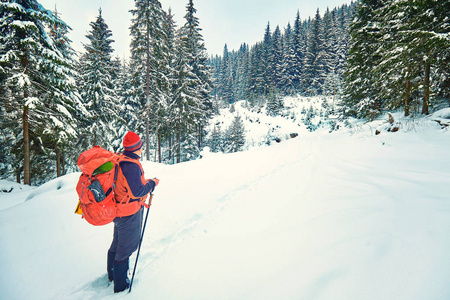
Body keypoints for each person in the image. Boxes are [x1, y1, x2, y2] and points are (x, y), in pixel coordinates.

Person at [107, 131, 159, 293]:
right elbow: (137, 192)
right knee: (126, 247)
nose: (142, 149)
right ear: (136, 148)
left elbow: (128, 186)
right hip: (128, 213)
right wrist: (152, 184)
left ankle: (112, 275)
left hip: (119, 211)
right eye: (141, 146)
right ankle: (121, 286)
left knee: (117, 243)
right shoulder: (131, 166)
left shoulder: (121, 160)